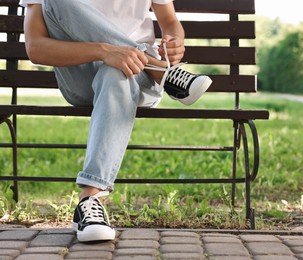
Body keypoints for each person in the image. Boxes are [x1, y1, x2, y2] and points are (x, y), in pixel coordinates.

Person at [20, 0, 212, 242]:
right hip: (81, 74)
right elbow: (36, 48)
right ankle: (162, 71)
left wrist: (174, 41)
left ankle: (90, 200)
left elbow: (170, 22)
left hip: (135, 76)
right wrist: (104, 51)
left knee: (116, 71)